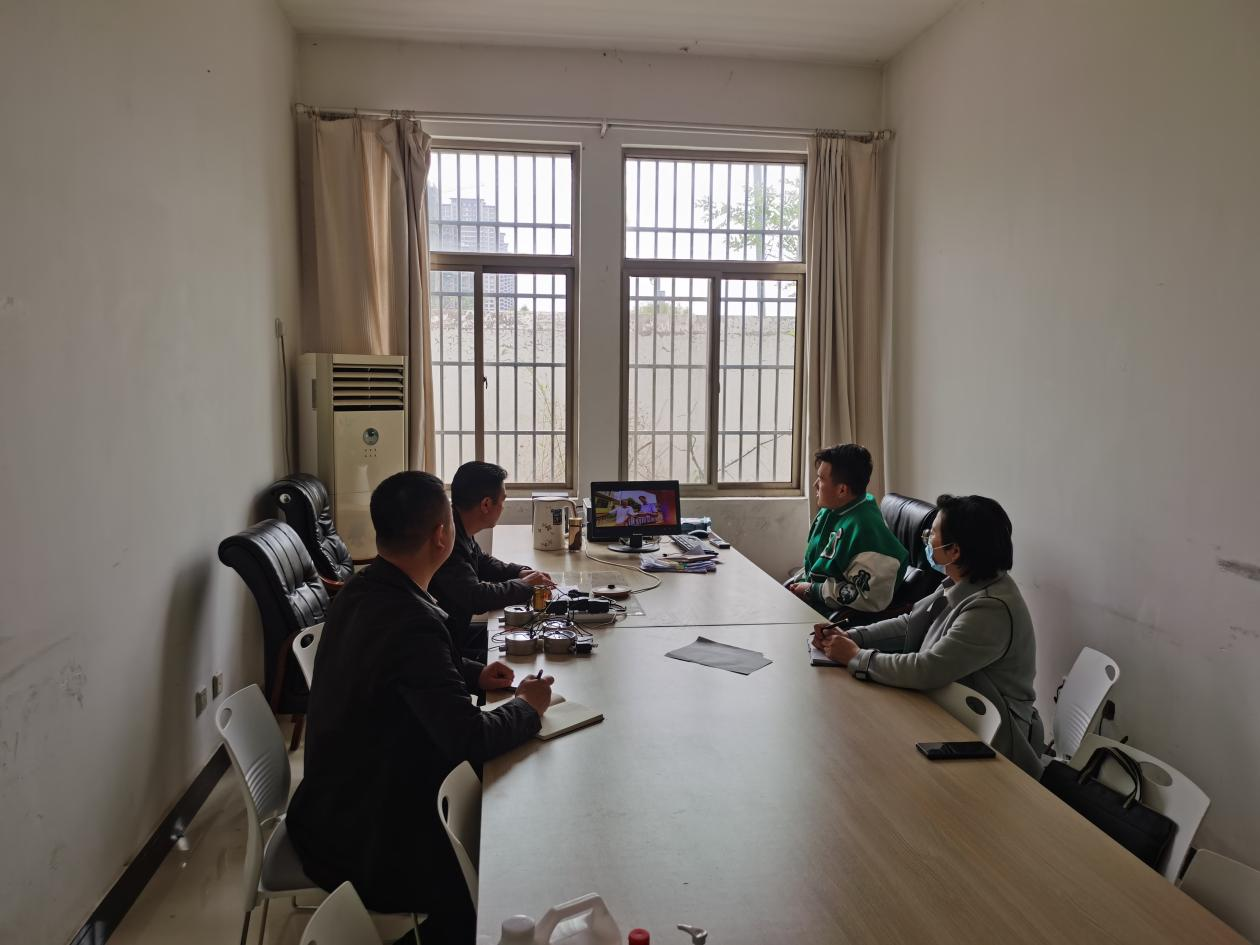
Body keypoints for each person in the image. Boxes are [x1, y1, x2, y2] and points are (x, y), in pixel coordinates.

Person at [286, 470, 555, 945]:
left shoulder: (363, 590)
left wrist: (474, 674)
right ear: (441, 536)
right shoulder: (411, 621)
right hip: (368, 841)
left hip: (329, 810)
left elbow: (408, 672)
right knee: (510, 852)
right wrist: (528, 708)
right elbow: (470, 737)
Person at [812, 494, 1045, 777]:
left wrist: (856, 657)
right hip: (951, 713)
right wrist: (853, 637)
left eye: (932, 534)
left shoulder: (991, 608)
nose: (926, 539)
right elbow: (911, 624)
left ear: (954, 551)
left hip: (993, 742)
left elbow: (928, 669)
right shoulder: (961, 582)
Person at [430, 461, 553, 657]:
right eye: (502, 501)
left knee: (520, 635)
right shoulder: (447, 540)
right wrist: (525, 585)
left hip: (455, 634)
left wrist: (519, 572)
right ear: (486, 504)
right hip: (444, 647)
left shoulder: (457, 526)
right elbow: (476, 597)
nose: (503, 507)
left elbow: (482, 562)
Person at [787, 444, 908, 619]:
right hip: (811, 602)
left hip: (832, 620)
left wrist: (813, 590)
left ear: (842, 490)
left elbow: (868, 596)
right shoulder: (832, 510)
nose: (815, 485)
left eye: (821, 479)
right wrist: (798, 584)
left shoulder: (866, 531)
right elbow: (814, 565)